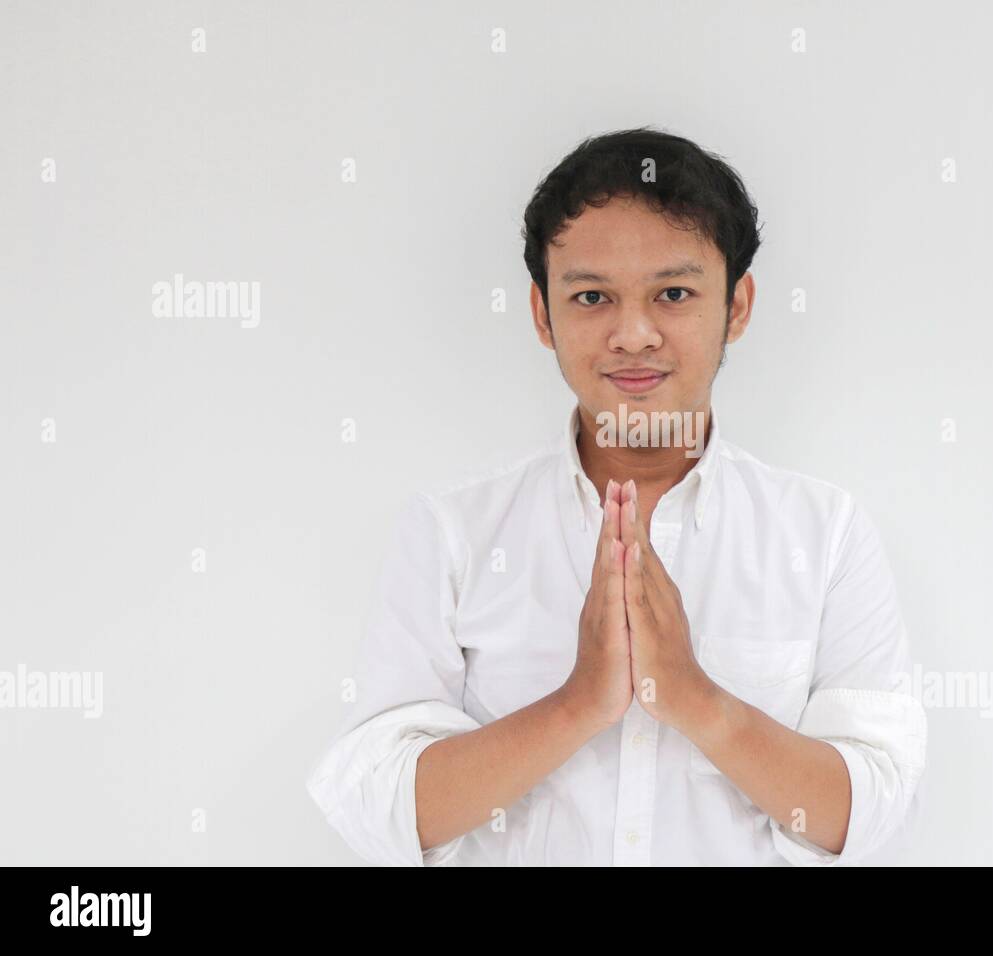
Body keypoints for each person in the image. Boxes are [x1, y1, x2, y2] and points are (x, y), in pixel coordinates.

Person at [305, 127, 927, 865]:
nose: (633, 335)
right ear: (543, 314)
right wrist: (579, 704)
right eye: (593, 296)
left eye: (673, 293)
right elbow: (381, 809)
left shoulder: (825, 534)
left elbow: (870, 813)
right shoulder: (452, 531)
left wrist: (698, 701)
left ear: (737, 305)